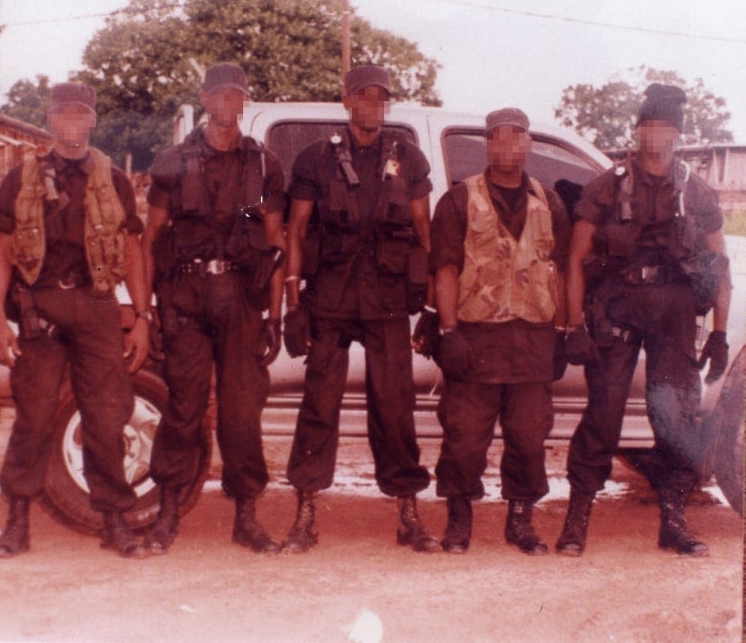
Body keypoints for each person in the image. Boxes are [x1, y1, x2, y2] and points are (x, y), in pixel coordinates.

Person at [558, 83, 731, 557]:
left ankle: (673, 521)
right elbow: (575, 258)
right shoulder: (608, 185)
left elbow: (719, 264)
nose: (654, 137)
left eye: (664, 128)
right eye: (646, 127)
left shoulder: (696, 192)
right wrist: (573, 325)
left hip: (674, 315)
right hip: (618, 308)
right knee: (604, 415)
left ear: (677, 134)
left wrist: (719, 331)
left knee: (674, 418)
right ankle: (577, 518)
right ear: (637, 132)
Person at [0, 82, 151, 559]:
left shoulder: (114, 178)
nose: (73, 124)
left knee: (107, 415)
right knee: (34, 417)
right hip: (41, 309)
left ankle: (115, 521)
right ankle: (17, 520)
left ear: (92, 121)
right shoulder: (22, 179)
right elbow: (0, 253)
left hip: (96, 305)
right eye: (64, 116)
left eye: (82, 115)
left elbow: (134, 252)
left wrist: (142, 316)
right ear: (52, 120)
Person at [281, 64, 438, 554]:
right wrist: (292, 302)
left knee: (395, 408)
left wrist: (430, 305)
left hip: (387, 298)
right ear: (347, 101)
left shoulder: (407, 158)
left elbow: (423, 231)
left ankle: (408, 514)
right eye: (363, 97)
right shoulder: (315, 159)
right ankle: (305, 516)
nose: (372, 105)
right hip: (329, 295)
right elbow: (295, 230)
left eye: (380, 98)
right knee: (319, 405)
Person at [141, 62, 287, 554]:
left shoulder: (264, 165)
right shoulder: (173, 162)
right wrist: (150, 312)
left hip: (243, 299)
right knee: (183, 408)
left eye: (236, 96)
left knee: (242, 412)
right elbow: (149, 240)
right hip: (187, 296)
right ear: (204, 100)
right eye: (219, 96)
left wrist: (275, 314)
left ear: (244, 101)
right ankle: (166, 513)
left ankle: (245, 516)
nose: (228, 104)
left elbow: (275, 241)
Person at [428, 108, 571, 555]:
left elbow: (561, 269)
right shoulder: (458, 200)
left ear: (528, 144)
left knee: (529, 437)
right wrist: (448, 331)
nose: (508, 146)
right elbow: (445, 269)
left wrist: (563, 330)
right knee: (465, 436)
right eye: (498, 138)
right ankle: (459, 520)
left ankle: (520, 521)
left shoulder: (549, 202)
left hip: (532, 341)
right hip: (477, 340)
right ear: (487, 145)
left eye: (518, 138)